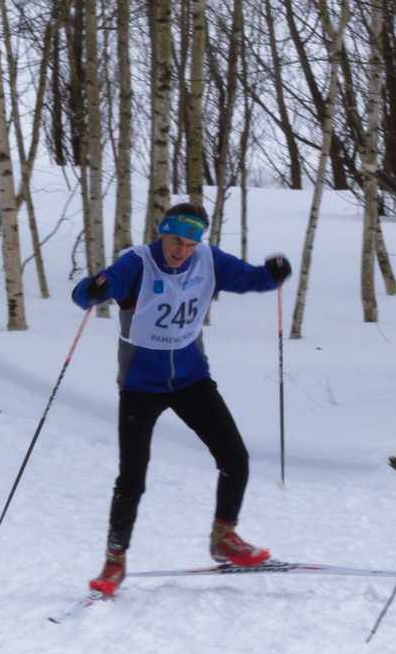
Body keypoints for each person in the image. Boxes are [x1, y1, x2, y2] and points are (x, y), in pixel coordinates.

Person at [70, 201, 292, 597]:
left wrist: (272, 274)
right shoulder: (138, 262)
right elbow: (91, 292)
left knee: (235, 458)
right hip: (140, 385)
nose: (182, 251)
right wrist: (93, 289)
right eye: (176, 241)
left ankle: (224, 538)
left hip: (192, 378)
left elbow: (251, 279)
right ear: (163, 233)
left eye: (190, 244)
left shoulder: (208, 259)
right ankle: (114, 561)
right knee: (132, 478)